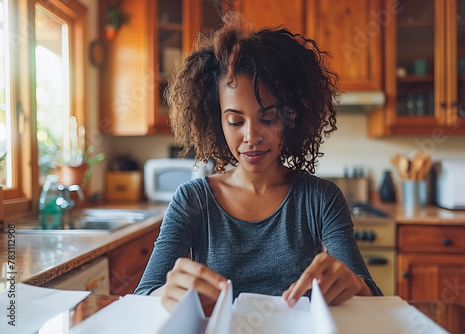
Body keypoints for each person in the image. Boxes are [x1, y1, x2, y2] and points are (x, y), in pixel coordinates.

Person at [134, 11, 382, 312]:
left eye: (267, 117)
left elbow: (370, 297)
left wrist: (354, 284)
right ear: (216, 122)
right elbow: (143, 295)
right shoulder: (191, 200)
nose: (251, 136)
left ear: (291, 117)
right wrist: (166, 293)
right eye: (235, 121)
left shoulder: (321, 199)